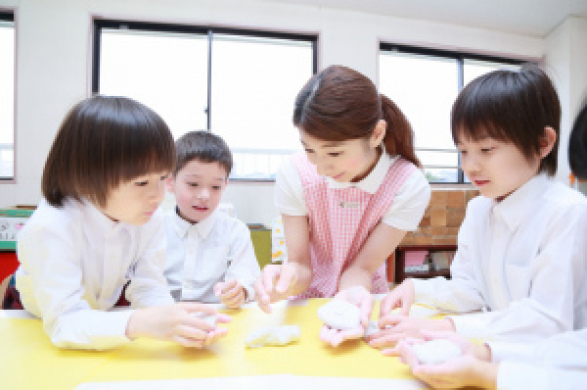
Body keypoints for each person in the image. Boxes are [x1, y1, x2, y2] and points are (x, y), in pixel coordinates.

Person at [368, 65, 587, 348]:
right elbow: (470, 289)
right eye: (463, 151)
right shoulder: (479, 210)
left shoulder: (568, 213)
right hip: (496, 355)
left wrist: (444, 327)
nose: (470, 166)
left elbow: (546, 320)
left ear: (542, 143)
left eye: (486, 150)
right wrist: (415, 287)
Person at [15, 96, 230, 351]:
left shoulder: (148, 216)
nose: (158, 195)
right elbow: (64, 322)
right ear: (86, 175)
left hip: (97, 317)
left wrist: (178, 323)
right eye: (141, 183)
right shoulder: (52, 226)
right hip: (34, 322)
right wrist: (137, 322)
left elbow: (149, 287)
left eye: (163, 178)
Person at [254, 65, 431, 346]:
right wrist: (284, 281)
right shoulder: (295, 172)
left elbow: (362, 268)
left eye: (334, 152)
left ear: (376, 134)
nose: (322, 168)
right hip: (304, 309)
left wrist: (346, 304)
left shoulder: (408, 185)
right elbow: (300, 265)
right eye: (309, 149)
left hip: (361, 302)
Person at [164, 131, 260, 308]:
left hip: (217, 318)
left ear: (225, 185)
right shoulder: (153, 229)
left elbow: (247, 279)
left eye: (215, 187)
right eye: (193, 184)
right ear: (170, 182)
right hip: (163, 317)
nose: (204, 195)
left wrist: (240, 291)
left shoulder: (234, 231)